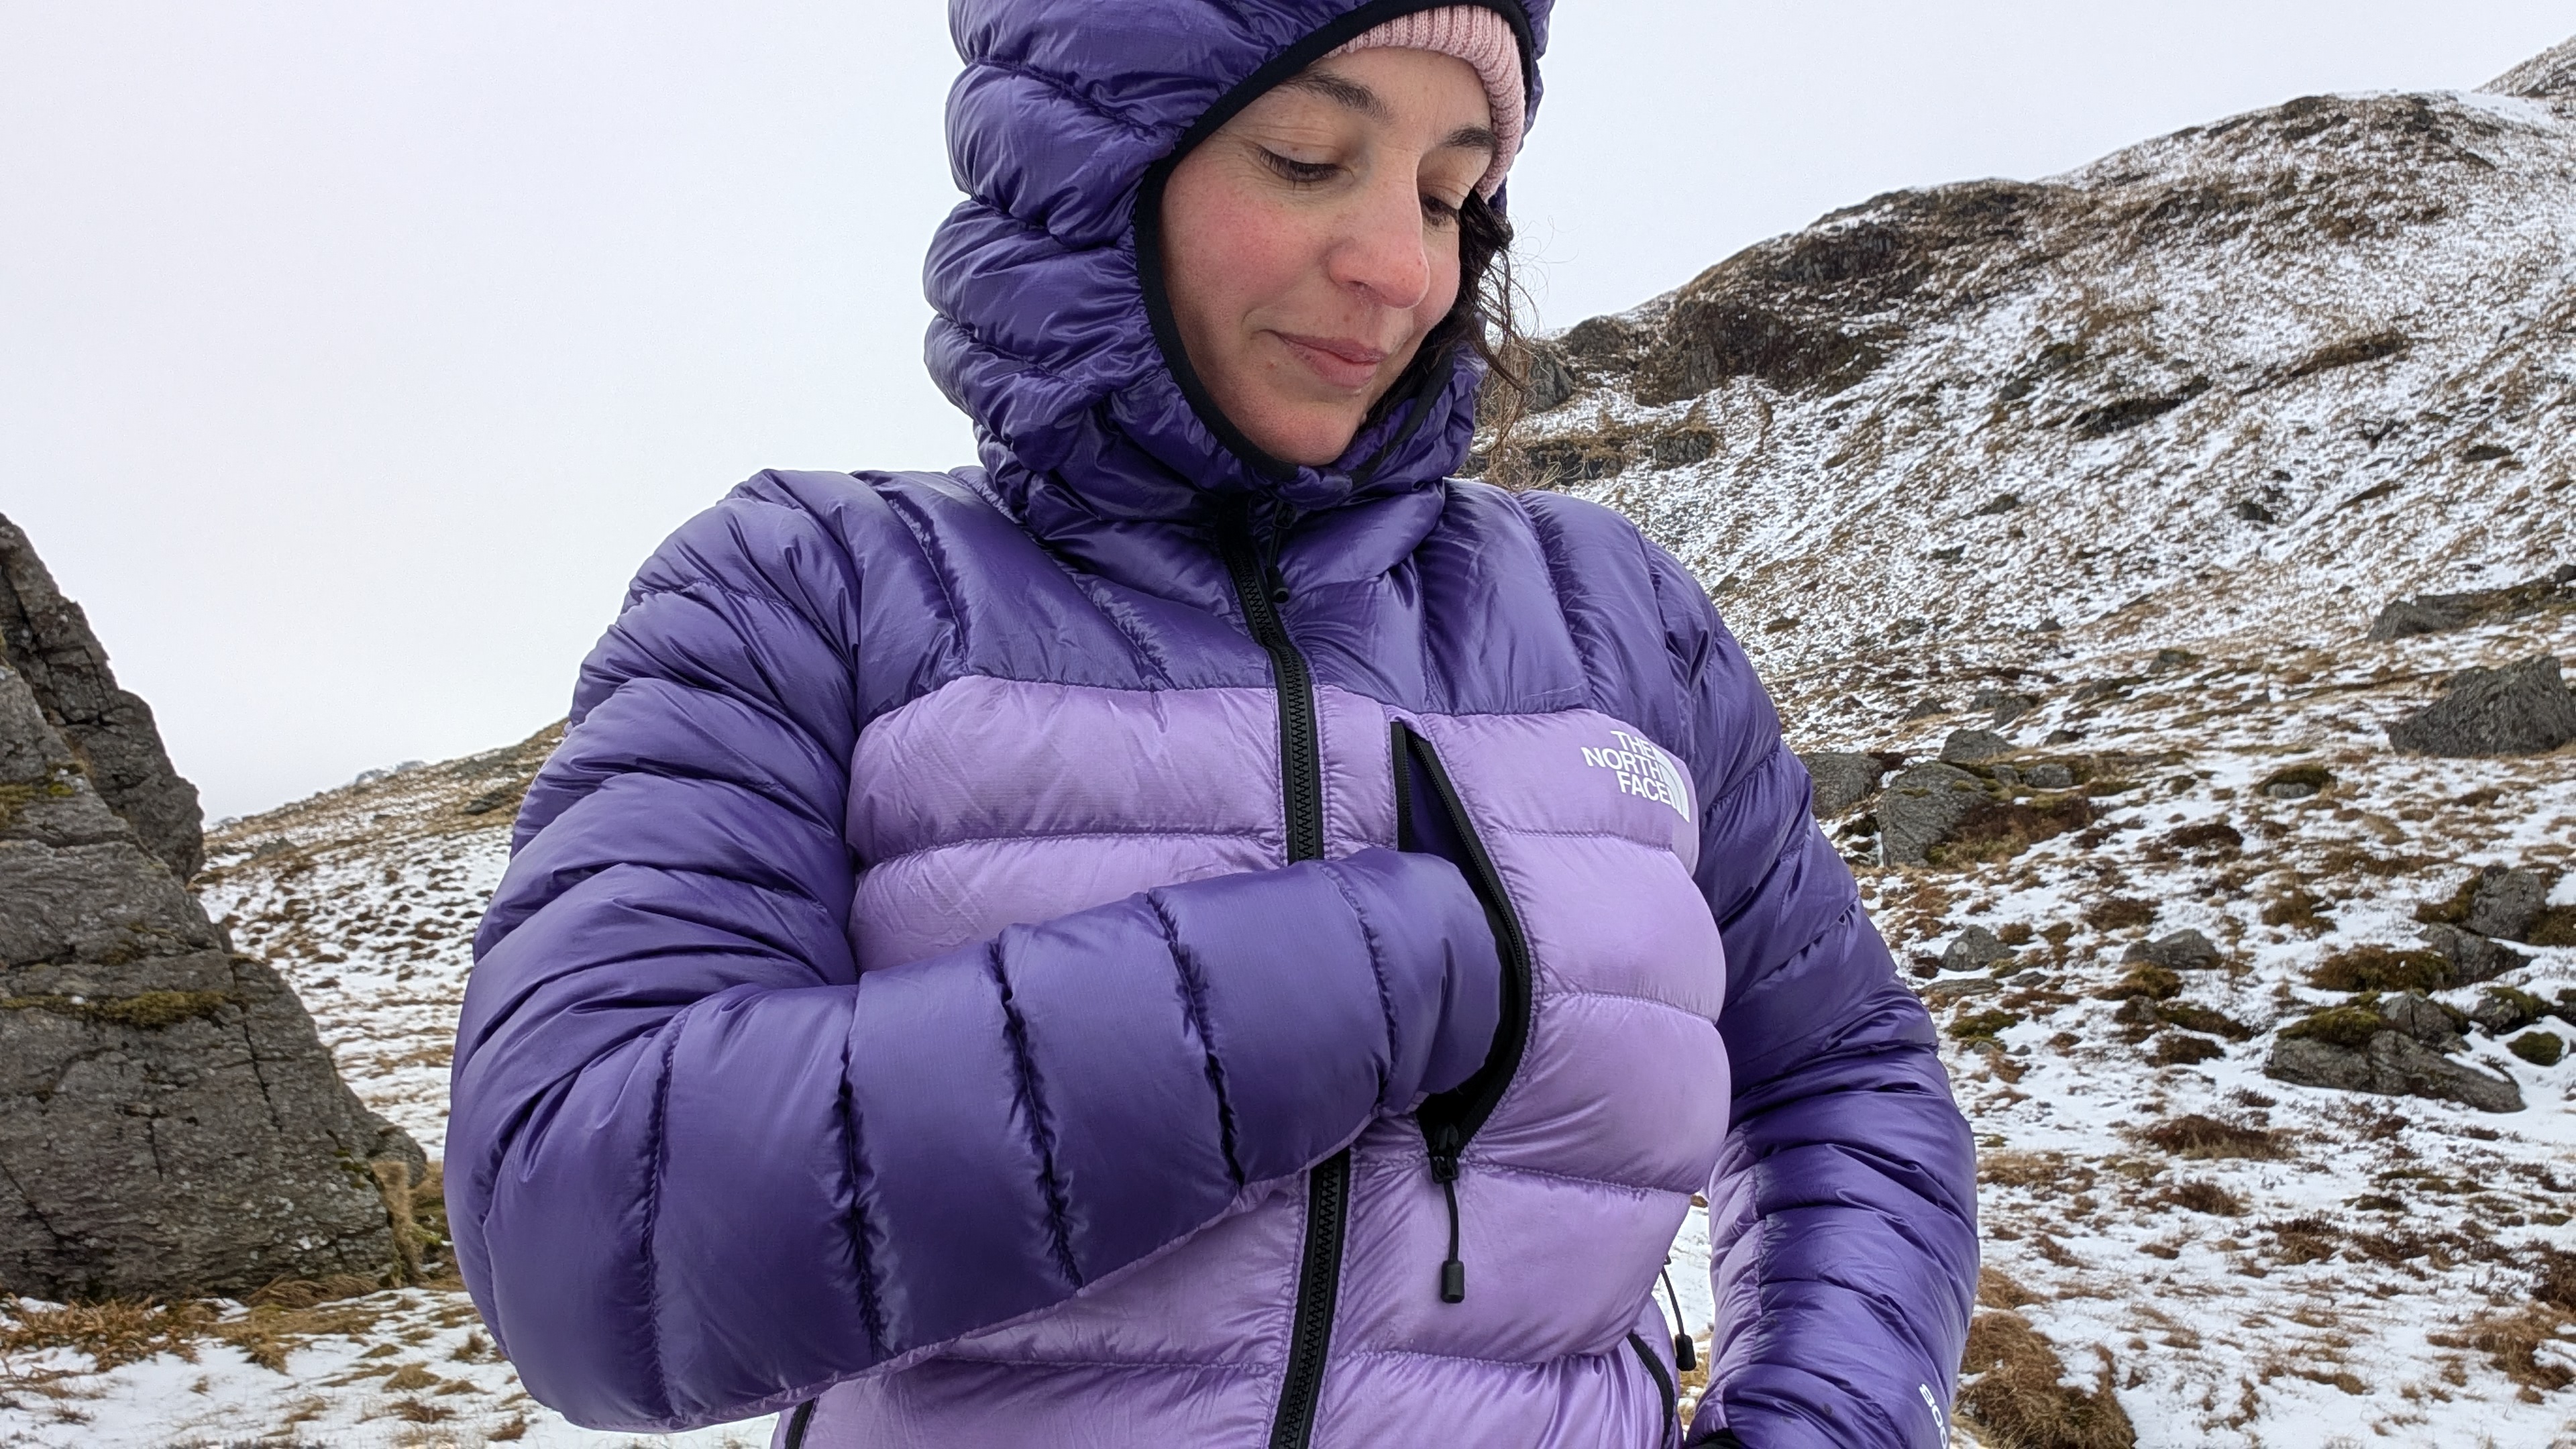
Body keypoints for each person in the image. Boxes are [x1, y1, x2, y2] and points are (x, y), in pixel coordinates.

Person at [445, 1, 1978, 1445]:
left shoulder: (1618, 618)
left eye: (1449, 196)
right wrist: (1352, 980)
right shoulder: (808, 590)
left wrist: (1822, 1415)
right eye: (1307, 158)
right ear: (1095, 171)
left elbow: (1841, 1073)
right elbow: (581, 1241)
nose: (1402, 269)